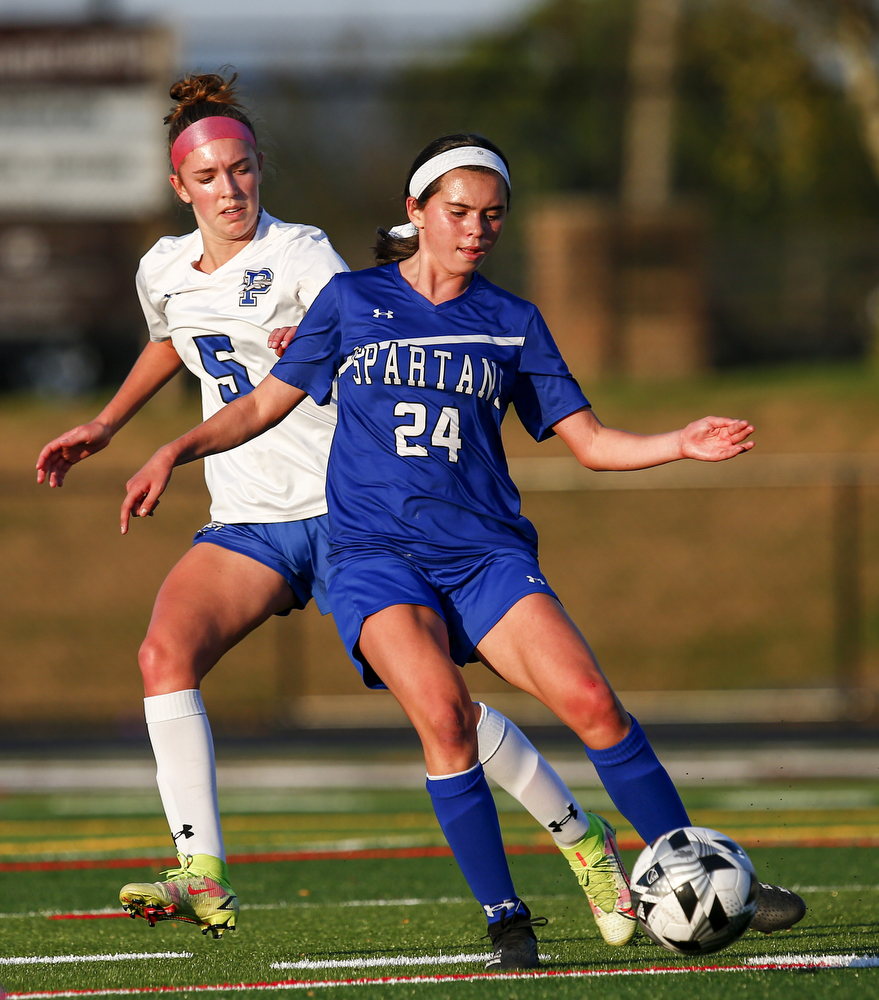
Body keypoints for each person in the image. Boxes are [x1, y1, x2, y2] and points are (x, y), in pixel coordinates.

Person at [117, 133, 805, 968]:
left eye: (491, 216)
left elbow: (588, 443)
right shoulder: (350, 301)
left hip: (483, 555)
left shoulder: (512, 322)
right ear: (415, 213)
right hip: (375, 557)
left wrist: (678, 441)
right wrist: (172, 450)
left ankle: (694, 868)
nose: (475, 229)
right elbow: (261, 406)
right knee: (443, 718)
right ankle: (506, 919)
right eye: (457, 212)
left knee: (590, 700)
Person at [35, 78, 671, 951]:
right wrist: (109, 425)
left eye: (244, 169)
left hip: (349, 517)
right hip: (251, 519)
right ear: (179, 188)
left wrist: (313, 343)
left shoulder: (303, 256)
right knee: (162, 651)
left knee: (441, 710)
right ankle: (202, 871)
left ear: (261, 171)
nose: (230, 189)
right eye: (210, 176)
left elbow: (380, 321)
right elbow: (167, 339)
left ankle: (582, 843)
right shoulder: (163, 268)